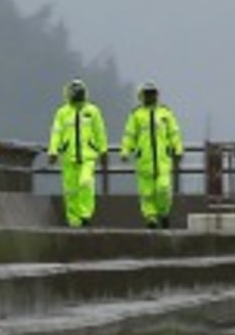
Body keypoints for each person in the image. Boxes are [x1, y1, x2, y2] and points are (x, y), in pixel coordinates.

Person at [120, 80, 184, 229]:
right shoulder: (136, 115)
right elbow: (129, 135)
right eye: (147, 94)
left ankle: (164, 213)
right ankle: (151, 218)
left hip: (163, 161)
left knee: (163, 189)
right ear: (142, 96)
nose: (150, 97)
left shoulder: (165, 113)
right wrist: (125, 151)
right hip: (144, 161)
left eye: (152, 94)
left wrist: (178, 149)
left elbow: (174, 133)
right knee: (146, 193)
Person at [47, 78, 108, 228]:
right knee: (70, 191)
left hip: (88, 156)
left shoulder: (92, 111)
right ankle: (74, 221)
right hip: (68, 157)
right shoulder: (62, 113)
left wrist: (103, 150)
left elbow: (99, 132)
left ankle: (85, 214)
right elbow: (56, 133)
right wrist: (53, 151)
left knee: (85, 182)